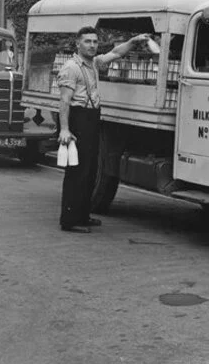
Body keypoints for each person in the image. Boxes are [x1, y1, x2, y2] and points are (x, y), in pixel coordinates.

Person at [57, 26, 150, 233]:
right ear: (77, 44)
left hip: (92, 118)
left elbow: (115, 53)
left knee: (90, 171)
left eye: (95, 41)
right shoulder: (71, 68)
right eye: (87, 41)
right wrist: (64, 129)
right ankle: (70, 220)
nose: (92, 45)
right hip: (78, 119)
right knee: (77, 172)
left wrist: (133, 41)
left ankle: (83, 215)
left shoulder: (94, 63)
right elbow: (64, 101)